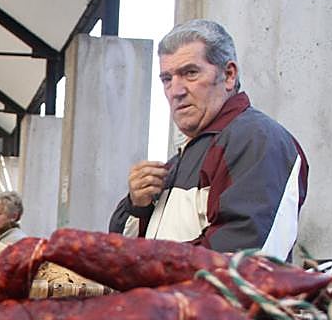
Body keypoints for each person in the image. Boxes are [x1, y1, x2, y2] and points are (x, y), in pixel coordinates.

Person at [108, 19, 308, 260]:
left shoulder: (256, 139)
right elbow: (119, 256)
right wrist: (137, 205)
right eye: (167, 79)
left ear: (229, 75)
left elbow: (238, 261)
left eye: (190, 73)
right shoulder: (179, 161)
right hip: (174, 298)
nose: (176, 91)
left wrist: (146, 270)